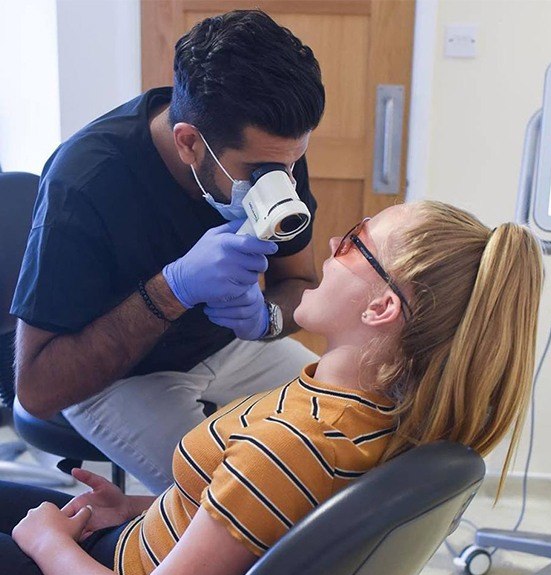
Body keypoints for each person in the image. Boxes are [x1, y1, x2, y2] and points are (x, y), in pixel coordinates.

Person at [0, 200, 543, 575]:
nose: (332, 242)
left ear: (382, 308)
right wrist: (138, 510)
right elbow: (251, 519)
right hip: (131, 538)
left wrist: (48, 543)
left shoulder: (293, 446)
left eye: (355, 242)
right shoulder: (364, 414)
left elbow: (264, 484)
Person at [10, 10, 325, 493]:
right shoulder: (87, 182)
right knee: (242, 501)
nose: (280, 181)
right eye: (261, 170)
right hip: (116, 379)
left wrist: (268, 319)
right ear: (189, 143)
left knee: (352, 437)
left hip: (228, 346)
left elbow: (299, 283)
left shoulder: (273, 152)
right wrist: (172, 289)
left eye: (293, 161)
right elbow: (36, 390)